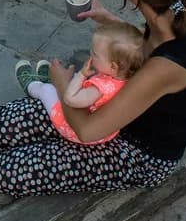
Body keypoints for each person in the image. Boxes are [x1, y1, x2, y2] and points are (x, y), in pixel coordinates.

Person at [0, 0, 186, 196]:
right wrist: (106, 17)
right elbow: (146, 49)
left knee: (5, 172)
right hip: (119, 108)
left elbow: (88, 130)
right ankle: (49, 146)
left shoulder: (167, 67)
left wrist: (61, 83)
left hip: (138, 151)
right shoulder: (180, 12)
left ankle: (42, 154)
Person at [15, 23, 144, 145]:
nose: (90, 54)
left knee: (48, 90)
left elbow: (70, 99)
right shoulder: (128, 78)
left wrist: (81, 74)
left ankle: (33, 86)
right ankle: (49, 83)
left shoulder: (99, 88)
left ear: (113, 66)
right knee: (74, 84)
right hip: (104, 132)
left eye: (95, 54)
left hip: (73, 128)